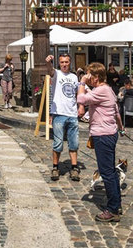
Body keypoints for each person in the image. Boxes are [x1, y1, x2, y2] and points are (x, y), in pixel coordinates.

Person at [77, 62, 125, 223]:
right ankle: (116, 204)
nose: (88, 77)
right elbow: (116, 112)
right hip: (109, 132)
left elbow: (81, 98)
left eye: (90, 74)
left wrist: (82, 82)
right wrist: (121, 127)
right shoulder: (107, 89)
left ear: (96, 77)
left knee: (107, 173)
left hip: (103, 135)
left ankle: (112, 209)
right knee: (110, 171)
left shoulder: (102, 90)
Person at [45, 53, 80, 182]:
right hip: (59, 113)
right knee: (58, 143)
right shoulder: (57, 74)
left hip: (72, 114)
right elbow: (50, 71)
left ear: (70, 62)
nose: (64, 64)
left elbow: (77, 94)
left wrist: (80, 106)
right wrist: (48, 63)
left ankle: (74, 168)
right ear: (59, 63)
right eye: (62, 62)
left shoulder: (74, 77)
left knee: (74, 143)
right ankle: (55, 167)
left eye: (66, 62)